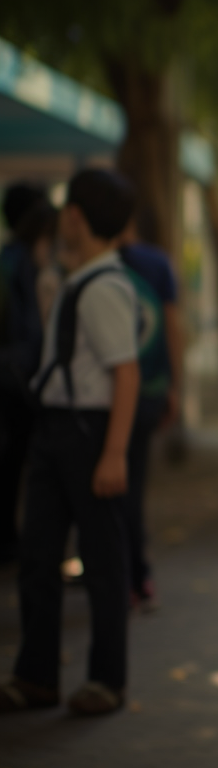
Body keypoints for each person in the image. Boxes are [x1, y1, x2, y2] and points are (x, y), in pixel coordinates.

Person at [1, 169, 140, 716]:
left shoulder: (103, 288)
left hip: (87, 430)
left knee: (102, 561)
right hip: (56, 426)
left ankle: (107, 679)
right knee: (39, 556)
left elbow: (124, 375)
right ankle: (36, 676)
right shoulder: (74, 278)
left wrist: (113, 453)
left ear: (76, 216)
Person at [116, 214, 183, 610]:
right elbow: (171, 326)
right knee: (132, 486)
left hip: (116, 395)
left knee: (113, 493)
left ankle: (127, 576)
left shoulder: (90, 266)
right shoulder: (156, 264)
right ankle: (136, 575)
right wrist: (174, 384)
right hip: (147, 391)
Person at [0, 184, 54, 566]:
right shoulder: (16, 264)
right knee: (12, 468)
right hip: (13, 387)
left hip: (14, 384)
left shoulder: (16, 261)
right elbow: (24, 336)